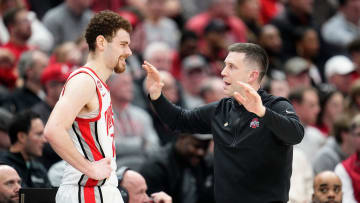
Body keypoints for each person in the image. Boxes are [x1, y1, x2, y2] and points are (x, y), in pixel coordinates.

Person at [143, 42, 304, 202]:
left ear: (252, 75)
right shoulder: (220, 110)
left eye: (231, 67)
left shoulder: (276, 106)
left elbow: (295, 135)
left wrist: (262, 112)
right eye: (225, 65)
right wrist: (157, 96)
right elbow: (179, 120)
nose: (223, 72)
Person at [44, 11, 132, 203]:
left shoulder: (99, 83)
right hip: (87, 191)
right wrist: (89, 168)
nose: (129, 52)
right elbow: (53, 129)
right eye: (123, 44)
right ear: (101, 43)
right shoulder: (84, 80)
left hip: (100, 190)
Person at [140, 133, 215, 203]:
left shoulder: (206, 163)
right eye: (196, 146)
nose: (200, 152)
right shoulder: (156, 166)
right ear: (182, 137)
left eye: (205, 147)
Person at [0, 110, 50, 188]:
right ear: (21, 137)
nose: (44, 140)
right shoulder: (3, 166)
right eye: (39, 134)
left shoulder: (39, 168)